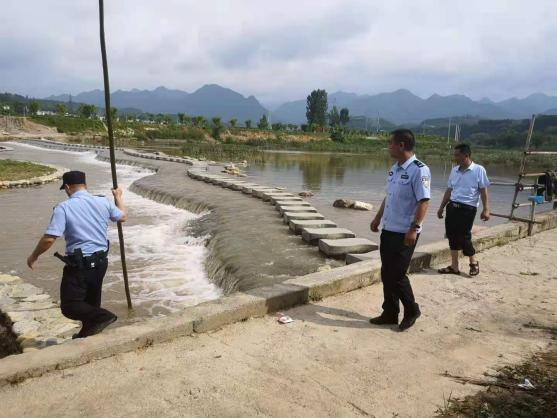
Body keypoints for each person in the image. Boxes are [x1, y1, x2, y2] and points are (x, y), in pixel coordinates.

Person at [27, 170, 128, 338]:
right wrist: (118, 196)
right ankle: (86, 335)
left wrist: (34, 256)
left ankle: (105, 317)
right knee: (91, 304)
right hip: (101, 263)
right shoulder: (103, 201)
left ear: (67, 187)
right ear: (85, 185)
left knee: (70, 306)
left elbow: (49, 239)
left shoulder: (64, 208)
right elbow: (123, 216)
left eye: (65, 189)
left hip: (79, 265)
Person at [369, 129, 431, 331]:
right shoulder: (394, 169)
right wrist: (377, 218)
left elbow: (424, 201)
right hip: (389, 228)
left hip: (405, 231)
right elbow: (389, 196)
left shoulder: (419, 170)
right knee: (386, 273)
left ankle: (412, 310)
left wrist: (415, 228)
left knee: (397, 274)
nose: (389, 147)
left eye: (391, 143)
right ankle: (390, 312)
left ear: (401, 145)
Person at [437, 143, 490, 276]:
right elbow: (449, 190)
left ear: (466, 155)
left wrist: (486, 209)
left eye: (457, 155)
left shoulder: (478, 170)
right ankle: (454, 266)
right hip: (452, 206)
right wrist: (441, 207)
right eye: (454, 155)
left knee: (464, 236)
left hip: (468, 208)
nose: (455, 157)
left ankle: (473, 262)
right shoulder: (454, 170)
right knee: (451, 236)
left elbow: (483, 191)